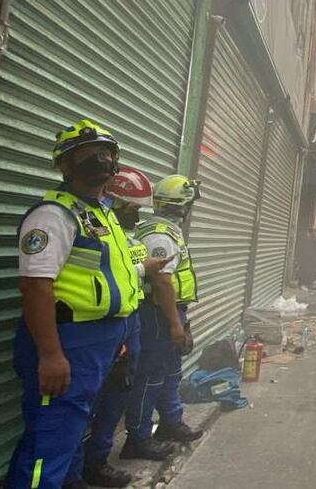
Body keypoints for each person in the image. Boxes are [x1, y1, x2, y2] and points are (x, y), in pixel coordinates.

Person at [5, 120, 141, 488]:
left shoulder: (101, 213)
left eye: (105, 153)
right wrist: (50, 355)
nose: (98, 160)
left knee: (65, 431)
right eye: (84, 154)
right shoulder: (53, 216)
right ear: (64, 165)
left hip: (101, 339)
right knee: (49, 441)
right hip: (67, 339)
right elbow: (35, 287)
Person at [82, 167, 175, 486]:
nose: (137, 216)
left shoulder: (127, 237)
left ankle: (96, 461)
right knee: (84, 404)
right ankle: (75, 469)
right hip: (94, 329)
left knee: (117, 396)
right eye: (133, 209)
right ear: (115, 202)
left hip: (127, 324)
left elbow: (123, 272)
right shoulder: (95, 232)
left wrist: (142, 267)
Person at [122, 175, 204, 459]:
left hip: (170, 310)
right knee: (151, 375)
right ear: (182, 206)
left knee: (171, 370)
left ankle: (170, 421)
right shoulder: (160, 235)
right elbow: (162, 283)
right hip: (158, 313)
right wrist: (174, 324)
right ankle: (138, 437)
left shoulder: (166, 231)